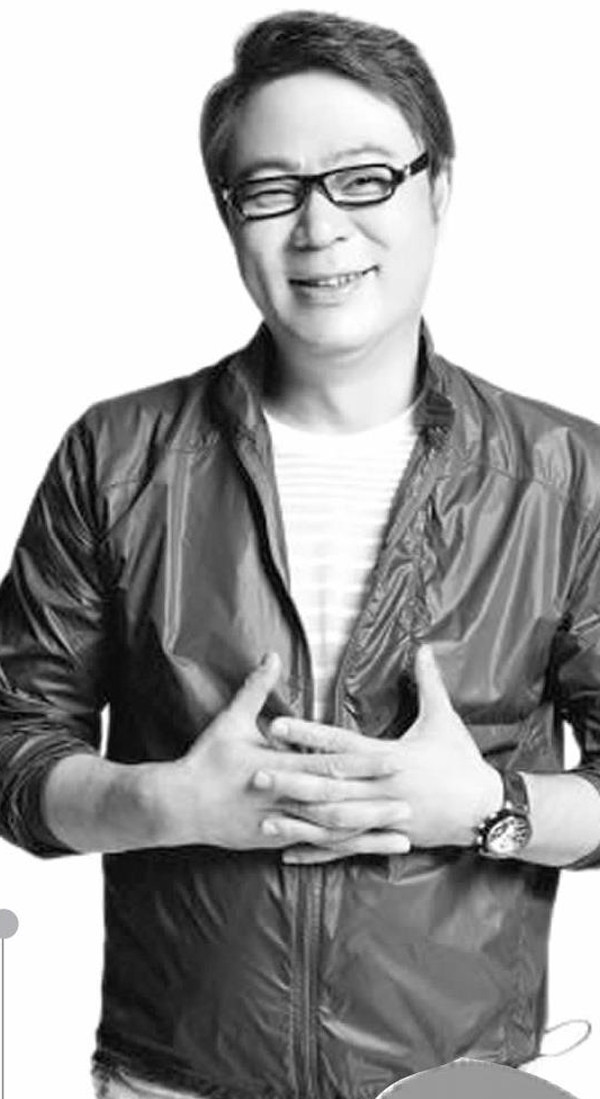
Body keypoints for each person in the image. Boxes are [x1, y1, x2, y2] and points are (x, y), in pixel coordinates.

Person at [1, 9, 600, 1099]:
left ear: (438, 189)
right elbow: (12, 741)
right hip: (173, 1079)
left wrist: (489, 807)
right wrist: (162, 804)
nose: (320, 227)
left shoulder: (569, 477)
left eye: (364, 178)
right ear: (229, 217)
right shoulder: (117, 457)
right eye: (271, 190)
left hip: (458, 1081)